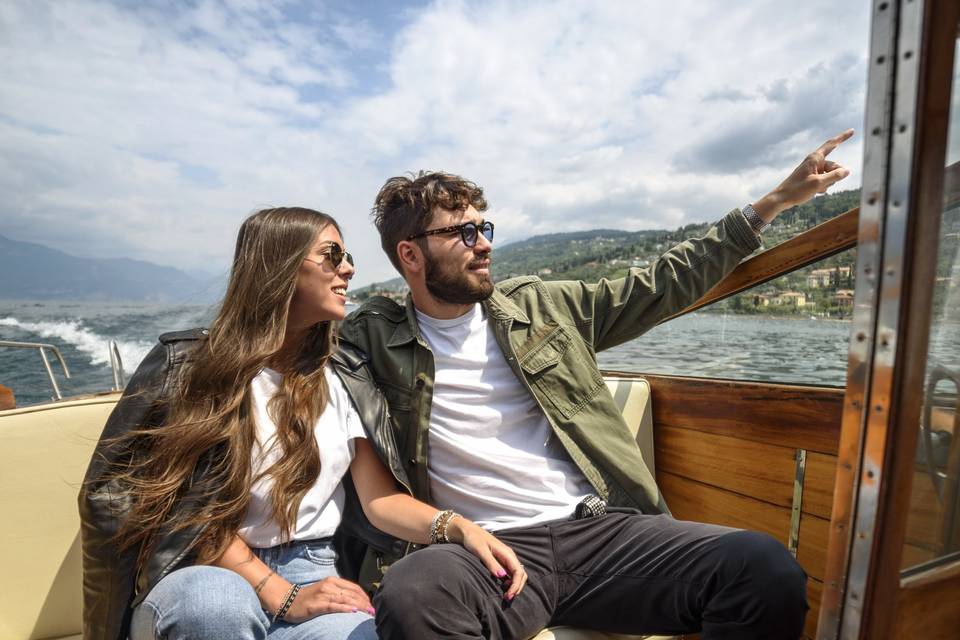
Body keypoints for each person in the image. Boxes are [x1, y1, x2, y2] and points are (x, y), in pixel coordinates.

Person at [338, 130, 855, 639]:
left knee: (765, 569)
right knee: (410, 594)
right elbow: (288, 329)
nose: (486, 245)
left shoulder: (545, 308)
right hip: (482, 553)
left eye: (485, 228)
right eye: (465, 233)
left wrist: (775, 203)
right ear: (410, 255)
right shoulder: (369, 341)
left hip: (598, 530)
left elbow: (660, 285)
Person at [79, 207, 527, 640]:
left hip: (316, 570)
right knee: (216, 605)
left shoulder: (345, 374)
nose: (349, 269)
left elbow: (380, 501)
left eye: (347, 257)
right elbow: (156, 506)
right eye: (333, 255)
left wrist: (459, 527)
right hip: (202, 572)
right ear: (280, 268)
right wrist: (276, 591)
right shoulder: (191, 367)